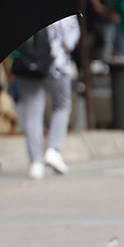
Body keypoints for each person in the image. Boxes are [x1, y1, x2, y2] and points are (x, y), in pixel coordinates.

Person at [13, 16, 80, 180]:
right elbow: (69, 42)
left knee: (33, 113)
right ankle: (53, 149)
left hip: (30, 65)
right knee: (62, 105)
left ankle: (36, 161)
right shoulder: (63, 11)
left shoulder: (25, 8)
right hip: (58, 66)